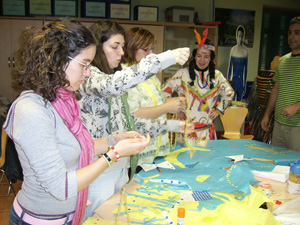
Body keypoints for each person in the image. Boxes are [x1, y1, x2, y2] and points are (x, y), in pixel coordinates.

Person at [3, 19, 150, 225]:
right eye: (85, 64)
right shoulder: (31, 111)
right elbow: (60, 186)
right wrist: (114, 154)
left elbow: (79, 147)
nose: (88, 72)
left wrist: (114, 139)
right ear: (58, 60)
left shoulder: (63, 101)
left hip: (68, 217)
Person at [78, 20, 190, 218]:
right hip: (98, 170)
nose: (121, 52)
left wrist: (172, 125)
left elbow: (133, 122)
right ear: (96, 47)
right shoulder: (89, 77)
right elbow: (112, 85)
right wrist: (164, 58)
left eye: (122, 46)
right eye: (115, 46)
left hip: (120, 167)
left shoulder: (111, 76)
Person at [123, 27, 193, 166]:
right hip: (140, 154)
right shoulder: (126, 77)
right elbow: (134, 114)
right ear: (132, 48)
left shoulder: (150, 74)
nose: (151, 54)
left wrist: (173, 102)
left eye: (152, 49)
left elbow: (154, 101)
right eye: (145, 49)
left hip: (158, 149)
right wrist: (167, 107)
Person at [162, 31, 234, 141]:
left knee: (207, 157)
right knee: (183, 157)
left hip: (207, 131)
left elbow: (229, 93)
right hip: (186, 131)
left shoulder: (217, 76)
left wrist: (218, 110)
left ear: (211, 58)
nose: (202, 60)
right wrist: (176, 110)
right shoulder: (182, 74)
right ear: (194, 57)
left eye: (206, 56)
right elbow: (163, 92)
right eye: (199, 56)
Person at [260, 16, 300, 151]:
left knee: (296, 167)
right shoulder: (282, 61)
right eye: (290, 32)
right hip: (279, 124)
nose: (292, 36)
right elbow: (276, 89)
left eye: (297, 32)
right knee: (277, 163)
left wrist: (297, 105)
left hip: (297, 127)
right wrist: (267, 115)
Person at [227, 25, 248, 101]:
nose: (240, 38)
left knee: (239, 103)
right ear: (236, 36)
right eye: (239, 36)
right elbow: (230, 69)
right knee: (231, 102)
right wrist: (228, 84)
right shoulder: (233, 50)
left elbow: (245, 70)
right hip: (234, 81)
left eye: (242, 36)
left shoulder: (245, 51)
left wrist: (245, 85)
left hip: (241, 82)